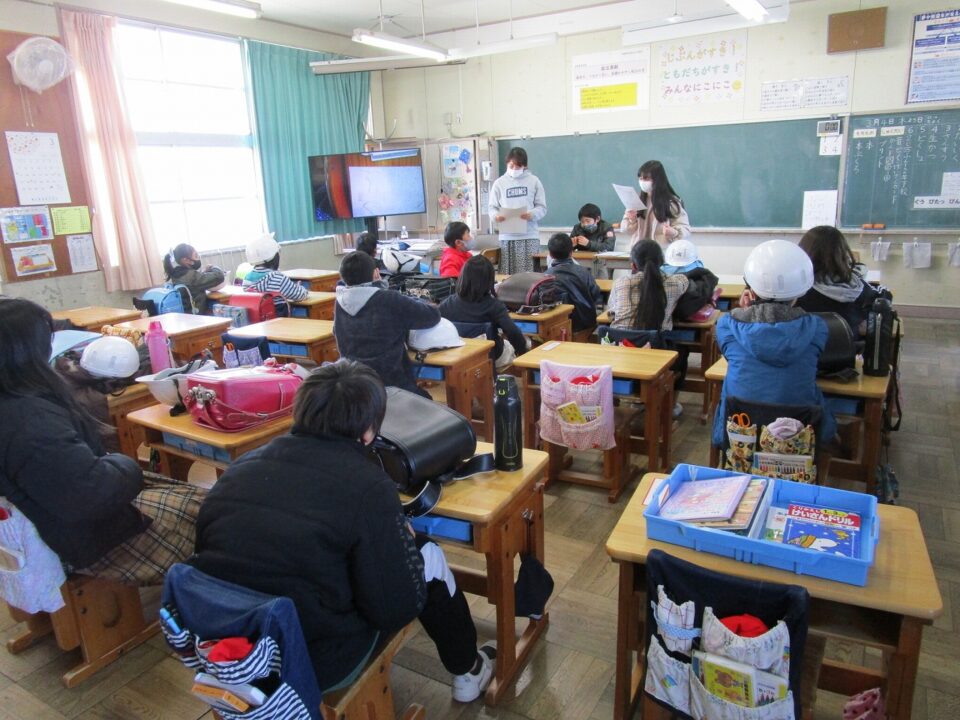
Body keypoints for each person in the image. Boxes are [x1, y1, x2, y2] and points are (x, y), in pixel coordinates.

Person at [189, 360, 496, 700]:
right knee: (428, 555)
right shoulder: (369, 487)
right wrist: (401, 549)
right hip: (311, 659)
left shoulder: (240, 467)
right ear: (368, 432)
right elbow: (395, 609)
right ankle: (468, 669)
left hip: (227, 645)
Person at [0, 297, 205, 586]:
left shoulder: (18, 402)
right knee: (214, 516)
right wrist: (122, 463)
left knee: (201, 498)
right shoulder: (29, 421)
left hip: (54, 522)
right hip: (89, 538)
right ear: (24, 351)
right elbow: (90, 495)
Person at [712, 239, 837, 449]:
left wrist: (746, 312)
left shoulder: (727, 325)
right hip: (800, 437)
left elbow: (732, 350)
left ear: (751, 289)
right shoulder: (817, 328)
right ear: (800, 291)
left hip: (739, 437)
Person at [334, 251, 440, 397]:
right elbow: (432, 316)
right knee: (427, 401)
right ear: (376, 273)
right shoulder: (387, 298)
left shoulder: (340, 301)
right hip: (392, 384)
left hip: (353, 384)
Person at [439, 255, 528, 370]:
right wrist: (522, 351)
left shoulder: (447, 304)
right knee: (526, 343)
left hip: (458, 357)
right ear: (489, 280)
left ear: (463, 276)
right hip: (490, 357)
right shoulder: (494, 306)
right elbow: (513, 332)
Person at [796, 225, 882, 333]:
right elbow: (881, 300)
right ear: (842, 253)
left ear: (804, 251)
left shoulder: (797, 290)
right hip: (848, 342)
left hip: (807, 342)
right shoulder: (857, 287)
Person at [608, 240, 689, 332]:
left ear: (633, 265)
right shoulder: (676, 283)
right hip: (655, 340)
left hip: (620, 339)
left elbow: (612, 312)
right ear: (662, 262)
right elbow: (684, 280)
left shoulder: (620, 283)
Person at [489, 147, 547, 274]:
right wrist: (496, 216)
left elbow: (542, 207)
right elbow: (492, 207)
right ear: (507, 163)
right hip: (507, 237)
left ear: (525, 166)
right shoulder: (499, 183)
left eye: (518, 166)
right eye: (511, 166)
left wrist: (531, 214)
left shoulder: (534, 181)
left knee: (529, 276)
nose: (514, 169)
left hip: (529, 236)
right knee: (508, 276)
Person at [621, 160, 691, 249]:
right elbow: (625, 230)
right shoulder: (636, 200)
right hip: (639, 252)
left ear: (657, 180)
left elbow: (685, 229)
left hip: (661, 252)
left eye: (646, 179)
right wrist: (632, 220)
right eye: (640, 178)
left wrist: (673, 232)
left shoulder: (671, 203)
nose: (642, 182)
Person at [544, 233, 603, 333]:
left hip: (558, 326)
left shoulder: (545, 277)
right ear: (571, 253)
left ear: (550, 254)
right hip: (585, 324)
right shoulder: (584, 272)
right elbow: (596, 295)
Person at [242, 232, 309, 313]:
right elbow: (299, 295)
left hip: (258, 319)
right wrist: (300, 288)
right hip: (278, 319)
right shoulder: (278, 278)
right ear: (275, 258)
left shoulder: (246, 279)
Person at [162, 243, 225, 314]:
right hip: (197, 316)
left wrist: (203, 272)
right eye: (196, 256)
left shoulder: (176, 274)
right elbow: (219, 276)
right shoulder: (192, 277)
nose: (198, 258)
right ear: (186, 260)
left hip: (186, 315)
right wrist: (212, 267)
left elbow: (195, 281)